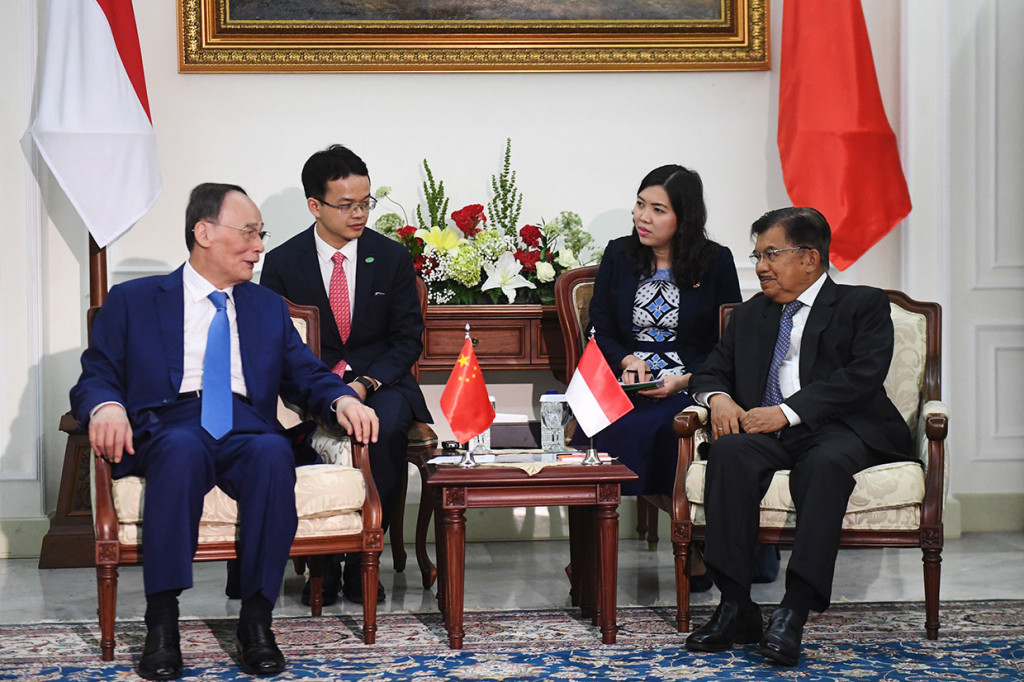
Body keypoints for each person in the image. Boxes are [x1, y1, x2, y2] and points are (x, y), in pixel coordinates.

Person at [70, 183, 379, 680]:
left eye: (261, 234)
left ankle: (256, 621)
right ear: (204, 232)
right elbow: (96, 374)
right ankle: (162, 622)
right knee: (180, 448)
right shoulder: (134, 300)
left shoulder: (265, 307)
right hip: (167, 422)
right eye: (250, 233)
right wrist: (106, 406)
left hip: (245, 424)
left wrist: (342, 397)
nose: (260, 246)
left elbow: (306, 373)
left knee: (271, 454)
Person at [684, 207, 913, 667]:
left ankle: (793, 610)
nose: (760, 266)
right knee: (728, 453)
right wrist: (719, 399)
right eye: (757, 256)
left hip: (839, 428)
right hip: (764, 429)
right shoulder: (750, 316)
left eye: (771, 254)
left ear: (810, 258)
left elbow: (862, 376)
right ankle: (736, 607)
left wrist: (787, 413)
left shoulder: (862, 304)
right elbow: (710, 370)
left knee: (825, 465)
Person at [260, 144, 431, 605]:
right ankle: (323, 557)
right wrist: (327, 392)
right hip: (308, 385)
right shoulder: (281, 263)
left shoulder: (390, 257)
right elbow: (275, 342)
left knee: (387, 426)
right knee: (287, 429)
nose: (359, 214)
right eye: (347, 205)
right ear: (315, 205)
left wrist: (364, 384)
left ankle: (362, 559)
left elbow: (406, 340)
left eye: (365, 202)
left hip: (380, 383)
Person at [583, 164, 741, 586]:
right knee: (601, 425)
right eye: (639, 204)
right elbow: (598, 325)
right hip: (629, 379)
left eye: (657, 209)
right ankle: (593, 554)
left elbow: (729, 339)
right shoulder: (619, 253)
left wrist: (685, 379)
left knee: (668, 428)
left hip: (689, 381)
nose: (642, 217)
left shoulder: (716, 261)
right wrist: (625, 360)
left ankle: (691, 544)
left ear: (684, 218)